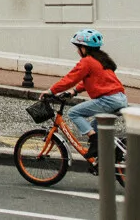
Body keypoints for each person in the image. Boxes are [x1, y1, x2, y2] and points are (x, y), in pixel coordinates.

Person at [48, 28, 127, 161]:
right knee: (96, 126)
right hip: (120, 98)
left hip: (108, 100)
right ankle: (104, 159)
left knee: (74, 113)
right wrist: (75, 91)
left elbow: (70, 79)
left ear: (83, 48)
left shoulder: (87, 61)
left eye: (77, 47)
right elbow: (93, 79)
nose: (77, 51)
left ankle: (95, 141)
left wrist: (51, 91)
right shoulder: (102, 59)